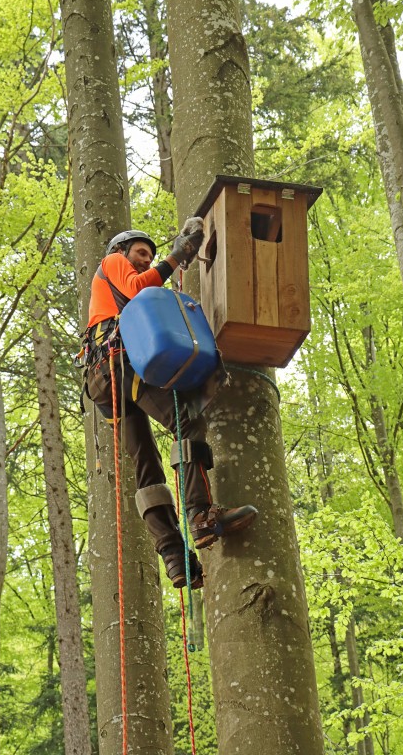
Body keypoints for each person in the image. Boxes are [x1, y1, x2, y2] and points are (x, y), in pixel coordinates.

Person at [85, 221, 257, 590]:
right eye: (140, 254)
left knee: (147, 466)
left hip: (107, 378)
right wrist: (179, 254)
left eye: (149, 255)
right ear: (122, 251)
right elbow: (136, 289)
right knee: (186, 421)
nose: (145, 262)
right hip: (119, 361)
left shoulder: (121, 277)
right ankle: (200, 514)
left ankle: (174, 556)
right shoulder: (113, 262)